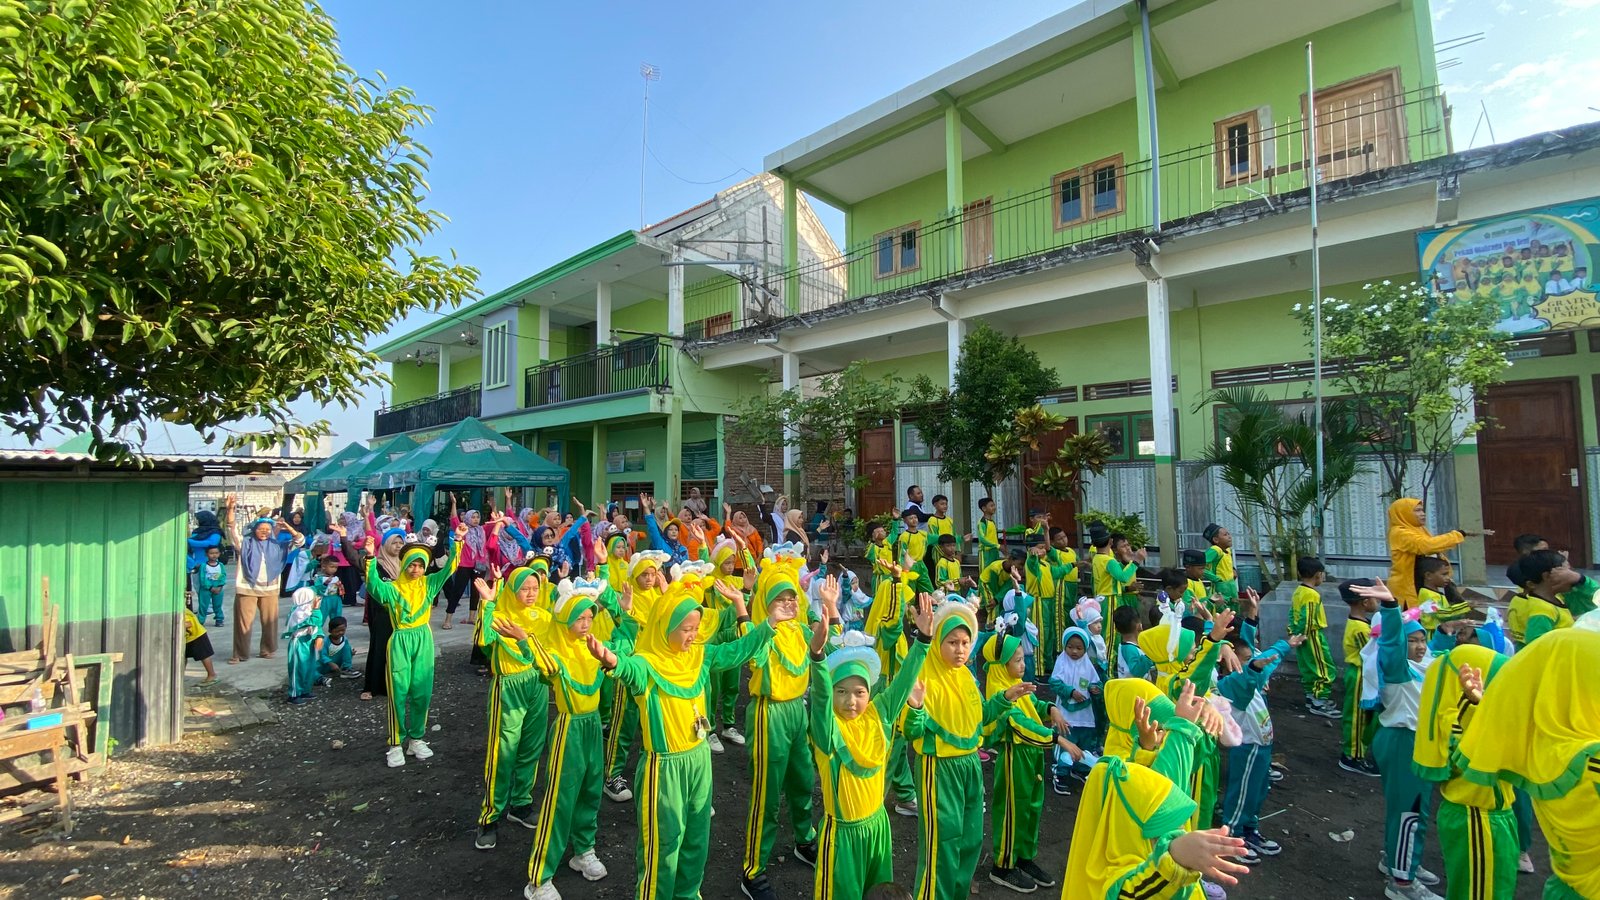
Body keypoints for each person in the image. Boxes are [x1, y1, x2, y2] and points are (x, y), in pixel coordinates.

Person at [583, 561, 790, 900]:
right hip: (664, 769)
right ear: (666, 626)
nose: (692, 635)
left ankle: (688, 893)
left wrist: (767, 625)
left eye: (695, 627)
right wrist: (613, 661)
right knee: (663, 849)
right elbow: (629, 669)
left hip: (699, 762)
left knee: (697, 838)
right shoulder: (648, 664)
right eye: (686, 628)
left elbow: (735, 651)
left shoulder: (699, 656)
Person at [1454, 616, 1600, 900]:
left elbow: (1501, 731)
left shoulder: (1542, 744)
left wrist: (1479, 705)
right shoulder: (1590, 759)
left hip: (1567, 885)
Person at [807, 584, 931, 900]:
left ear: (869, 693)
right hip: (842, 837)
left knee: (879, 893)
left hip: (877, 828)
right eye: (842, 691)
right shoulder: (828, 730)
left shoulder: (878, 716)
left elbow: (902, 685)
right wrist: (818, 657)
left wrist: (923, 642)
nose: (851, 700)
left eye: (860, 692)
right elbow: (821, 697)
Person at [904, 597, 1032, 900]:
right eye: (951, 642)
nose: (960, 649)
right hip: (939, 767)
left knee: (971, 840)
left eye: (965, 642)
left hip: (970, 765)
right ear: (938, 643)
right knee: (942, 845)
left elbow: (978, 719)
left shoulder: (966, 677)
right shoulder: (923, 674)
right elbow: (912, 731)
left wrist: (1005, 698)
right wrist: (917, 708)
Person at [521, 577, 630, 900]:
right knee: (560, 799)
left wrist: (619, 608)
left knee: (591, 791)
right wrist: (526, 641)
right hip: (569, 728)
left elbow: (627, 640)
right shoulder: (556, 649)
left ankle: (583, 851)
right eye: (579, 618)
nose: (585, 624)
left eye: (589, 618)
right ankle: (539, 877)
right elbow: (546, 665)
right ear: (565, 619)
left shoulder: (593, 646)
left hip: (592, 726)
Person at [740, 549, 826, 900]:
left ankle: (804, 840)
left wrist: (829, 611)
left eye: (792, 596)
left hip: (796, 712)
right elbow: (751, 650)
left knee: (803, 780)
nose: (788, 603)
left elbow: (820, 648)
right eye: (780, 597)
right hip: (768, 714)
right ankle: (753, 869)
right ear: (767, 602)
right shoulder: (763, 632)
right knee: (767, 793)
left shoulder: (799, 630)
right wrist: (747, 606)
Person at [1350, 579, 1441, 900]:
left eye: (1421, 639)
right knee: (1409, 812)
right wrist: (1390, 608)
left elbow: (1442, 652)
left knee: (1413, 809)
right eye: (1412, 640)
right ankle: (1401, 882)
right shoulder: (1397, 668)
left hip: (1414, 742)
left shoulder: (1424, 665)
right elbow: (1389, 642)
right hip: (1403, 742)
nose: (1419, 646)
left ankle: (1398, 861)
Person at [1412, 643, 1516, 900]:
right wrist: (1474, 705)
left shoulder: (1484, 711)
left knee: (1494, 890)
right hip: (1477, 818)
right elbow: (1470, 752)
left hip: (1495, 816)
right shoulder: (1454, 718)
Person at [361, 524, 465, 768]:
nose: (416, 569)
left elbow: (451, 567)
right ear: (404, 563)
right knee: (398, 692)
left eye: (420, 565)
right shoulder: (393, 589)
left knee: (422, 691)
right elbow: (374, 585)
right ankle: (395, 743)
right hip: (400, 641)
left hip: (423, 640)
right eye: (412, 564)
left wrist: (457, 541)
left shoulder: (429, 584)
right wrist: (369, 558)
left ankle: (416, 738)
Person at [472, 567, 552, 850]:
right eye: (524, 588)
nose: (531, 594)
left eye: (535, 588)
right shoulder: (500, 616)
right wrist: (488, 602)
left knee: (532, 746)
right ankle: (489, 816)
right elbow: (482, 642)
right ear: (512, 589)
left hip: (537, 685)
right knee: (503, 751)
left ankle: (521, 804)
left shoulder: (543, 617)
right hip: (508, 686)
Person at [982, 628, 1066, 893]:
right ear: (1000, 665)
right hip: (1014, 756)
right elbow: (1019, 725)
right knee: (1012, 811)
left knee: (1031, 808)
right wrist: (1055, 739)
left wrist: (1049, 708)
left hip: (1031, 755)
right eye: (1017, 660)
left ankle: (1024, 857)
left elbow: (1032, 706)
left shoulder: (1016, 686)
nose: (1023, 664)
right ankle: (1003, 866)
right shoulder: (1000, 691)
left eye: (1022, 658)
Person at [1216, 624, 1301, 861]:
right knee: (1242, 794)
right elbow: (1250, 675)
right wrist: (1253, 668)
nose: (1253, 660)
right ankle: (1231, 837)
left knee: (1257, 792)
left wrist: (1285, 645)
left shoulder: (1252, 677)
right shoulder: (1231, 686)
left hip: (1262, 749)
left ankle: (1249, 830)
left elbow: (1267, 661)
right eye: (1245, 659)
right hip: (1247, 748)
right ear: (1229, 663)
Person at [224, 495, 302, 664]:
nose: (265, 532)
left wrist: (288, 527)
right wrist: (230, 509)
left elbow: (300, 540)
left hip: (270, 589)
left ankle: (267, 649)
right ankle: (240, 653)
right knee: (243, 623)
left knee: (270, 622)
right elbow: (232, 529)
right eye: (261, 529)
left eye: (268, 530)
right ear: (254, 529)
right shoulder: (245, 543)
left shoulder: (278, 545)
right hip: (247, 588)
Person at [1385, 498, 1485, 608]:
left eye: (1422, 510)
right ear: (1403, 513)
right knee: (1414, 622)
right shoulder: (1399, 532)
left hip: (1422, 584)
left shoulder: (1419, 529)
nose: (1423, 514)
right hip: (1407, 589)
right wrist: (1459, 534)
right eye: (1417, 510)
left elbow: (1435, 548)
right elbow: (1427, 546)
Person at [1049, 625, 1101, 790]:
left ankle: (1080, 768)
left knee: (1084, 742)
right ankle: (1061, 772)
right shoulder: (1062, 661)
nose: (1074, 651)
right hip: (1066, 713)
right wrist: (1070, 692)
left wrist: (1095, 688)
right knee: (1066, 741)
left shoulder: (1087, 664)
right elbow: (1055, 682)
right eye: (1070, 647)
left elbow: (1096, 682)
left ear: (1085, 648)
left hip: (1085, 714)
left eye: (1079, 648)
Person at [1338, 578, 1381, 776]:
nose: (1377, 601)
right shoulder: (1360, 629)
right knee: (1356, 717)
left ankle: (1358, 752)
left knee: (1366, 716)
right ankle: (1352, 757)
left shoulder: (1362, 623)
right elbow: (1373, 651)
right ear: (1365, 602)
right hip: (1359, 675)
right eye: (1375, 597)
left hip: (1365, 674)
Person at [1288, 557, 1338, 719]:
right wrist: (1304, 634)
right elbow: (1307, 618)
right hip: (1312, 636)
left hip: (1300, 636)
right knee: (1324, 668)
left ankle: (1312, 697)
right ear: (1317, 575)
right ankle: (1319, 701)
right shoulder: (1312, 595)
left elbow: (1292, 613)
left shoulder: (1298, 591)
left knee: (1308, 668)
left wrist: (1293, 632)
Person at [1515, 549, 1585, 645]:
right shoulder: (1542, 610)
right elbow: (1536, 645)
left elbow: (1560, 622)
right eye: (1565, 572)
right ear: (1546, 576)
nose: (1571, 577)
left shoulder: (1554, 600)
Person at [281, 587, 325, 705]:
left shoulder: (309, 611)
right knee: (297, 669)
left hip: (308, 641)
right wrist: (316, 610)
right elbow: (314, 621)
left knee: (308, 667)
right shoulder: (298, 613)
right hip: (299, 643)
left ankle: (305, 690)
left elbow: (318, 625)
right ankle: (294, 694)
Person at [186, 509, 224, 596]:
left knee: (211, 587)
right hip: (196, 565)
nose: (197, 521)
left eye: (198, 519)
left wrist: (189, 541)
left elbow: (211, 543)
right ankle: (203, 608)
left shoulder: (215, 532)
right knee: (199, 588)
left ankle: (211, 609)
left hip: (211, 565)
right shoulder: (197, 531)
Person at [182, 597, 219, 686]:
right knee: (183, 656)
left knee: (204, 655)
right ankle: (180, 676)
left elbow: (188, 624)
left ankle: (211, 674)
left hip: (197, 634)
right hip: (188, 637)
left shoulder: (183, 611)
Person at [1202, 524, 1238, 610]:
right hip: (1221, 587)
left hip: (1231, 585)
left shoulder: (1227, 550)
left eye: (1228, 534)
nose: (1229, 537)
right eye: (1225, 535)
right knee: (1223, 610)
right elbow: (1200, 566)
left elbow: (1226, 563)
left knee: (1235, 608)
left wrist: (1233, 569)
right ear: (1216, 540)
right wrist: (1216, 579)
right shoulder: (1215, 550)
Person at [316, 616, 359, 681]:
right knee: (311, 673)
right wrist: (330, 663)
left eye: (343, 630)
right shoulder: (325, 641)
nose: (340, 633)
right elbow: (322, 655)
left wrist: (351, 653)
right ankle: (320, 679)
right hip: (325, 666)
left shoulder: (344, 639)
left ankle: (346, 668)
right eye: (337, 631)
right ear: (330, 631)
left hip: (337, 665)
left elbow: (346, 653)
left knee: (347, 648)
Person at [196, 545, 227, 628]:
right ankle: (200, 621)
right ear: (206, 554)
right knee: (203, 605)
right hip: (206, 589)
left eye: (216, 553)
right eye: (211, 553)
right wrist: (210, 587)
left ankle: (219, 619)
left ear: (219, 553)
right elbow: (202, 578)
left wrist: (220, 586)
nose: (214, 555)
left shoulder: (220, 565)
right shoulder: (203, 566)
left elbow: (223, 576)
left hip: (218, 588)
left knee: (217, 605)